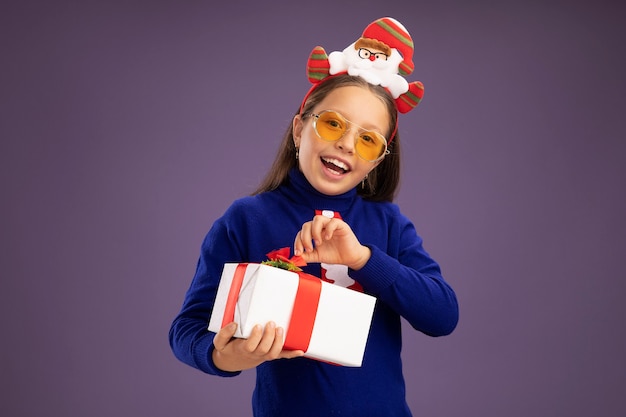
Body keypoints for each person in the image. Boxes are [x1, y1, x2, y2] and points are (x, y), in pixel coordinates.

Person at [169, 17, 459, 417]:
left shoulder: (389, 225)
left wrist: (362, 260)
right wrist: (225, 357)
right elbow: (186, 330)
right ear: (299, 129)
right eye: (333, 123)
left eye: (368, 139)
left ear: (377, 161)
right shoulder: (247, 219)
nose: (345, 143)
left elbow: (443, 315)